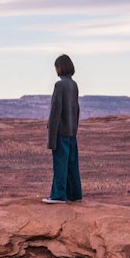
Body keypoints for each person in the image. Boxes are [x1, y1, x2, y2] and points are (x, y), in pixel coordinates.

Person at [43, 54, 82, 204]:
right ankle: (74, 194)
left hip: (61, 132)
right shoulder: (74, 85)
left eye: (56, 67)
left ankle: (58, 195)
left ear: (60, 67)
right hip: (72, 131)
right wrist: (75, 128)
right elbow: (76, 109)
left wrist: (51, 139)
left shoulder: (60, 85)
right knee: (72, 164)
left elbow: (55, 112)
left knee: (60, 163)